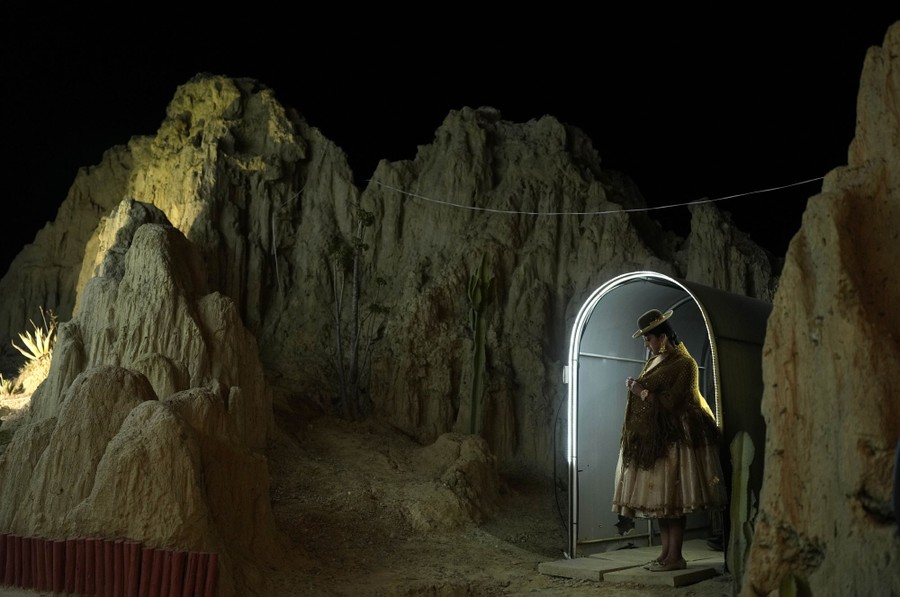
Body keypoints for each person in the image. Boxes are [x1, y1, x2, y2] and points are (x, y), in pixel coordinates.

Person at [611, 308, 727, 572]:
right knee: (662, 504)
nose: (647, 345)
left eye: (648, 339)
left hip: (677, 440)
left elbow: (674, 402)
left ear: (662, 337)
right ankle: (666, 554)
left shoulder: (684, 364)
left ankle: (676, 556)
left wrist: (641, 392)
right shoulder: (656, 360)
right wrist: (639, 389)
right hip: (657, 439)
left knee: (673, 501)